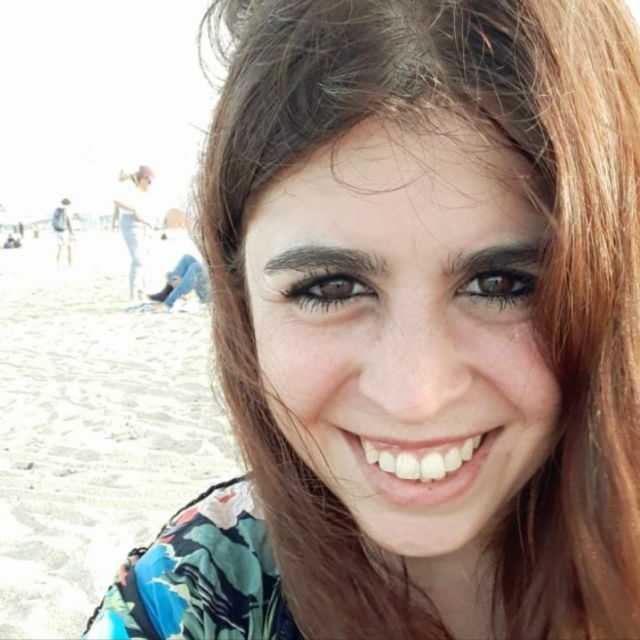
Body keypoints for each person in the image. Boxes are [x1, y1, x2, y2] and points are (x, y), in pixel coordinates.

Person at [85, 0, 640, 638]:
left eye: (501, 284)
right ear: (240, 300)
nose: (415, 399)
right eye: (331, 288)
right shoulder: (178, 604)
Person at [112, 165, 155, 301]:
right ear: (143, 178)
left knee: (146, 259)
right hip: (130, 224)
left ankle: (143, 291)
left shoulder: (139, 187)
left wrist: (148, 222)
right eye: (149, 181)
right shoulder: (128, 185)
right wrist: (133, 210)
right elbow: (116, 201)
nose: (150, 184)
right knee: (138, 259)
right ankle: (133, 296)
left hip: (143, 224)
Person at [51, 197, 74, 267]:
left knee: (59, 248)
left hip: (56, 231)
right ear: (67, 204)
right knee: (69, 248)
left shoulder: (56, 210)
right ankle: (70, 265)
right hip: (63, 231)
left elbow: (53, 222)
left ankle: (57, 265)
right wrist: (71, 232)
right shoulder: (64, 210)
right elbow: (68, 222)